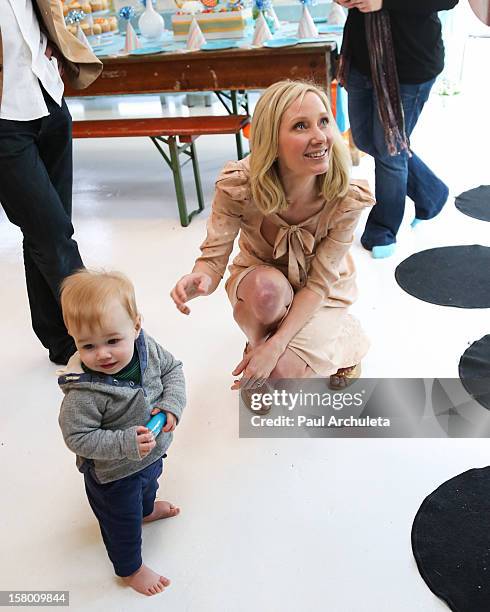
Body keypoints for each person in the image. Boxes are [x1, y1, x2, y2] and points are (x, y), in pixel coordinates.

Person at [171, 80, 374, 397]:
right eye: (300, 126)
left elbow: (319, 283)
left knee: (275, 383)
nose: (320, 136)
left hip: (320, 290)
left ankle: (347, 340)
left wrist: (275, 347)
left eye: (323, 121)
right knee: (266, 294)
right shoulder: (240, 184)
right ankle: (263, 343)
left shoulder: (344, 195)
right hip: (261, 281)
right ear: (272, 140)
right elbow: (214, 257)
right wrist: (201, 278)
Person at [58, 270, 186, 596]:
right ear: (73, 338)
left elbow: (173, 370)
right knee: (121, 523)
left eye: (113, 340)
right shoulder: (84, 392)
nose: (102, 353)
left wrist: (171, 406)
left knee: (149, 485)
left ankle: (146, 509)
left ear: (136, 326)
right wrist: (125, 443)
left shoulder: (147, 349)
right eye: (88, 345)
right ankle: (130, 568)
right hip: (114, 475)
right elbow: (78, 437)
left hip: (152, 453)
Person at [0, 0, 102, 363]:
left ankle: (61, 341)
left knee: (45, 233)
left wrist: (51, 44)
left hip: (48, 98)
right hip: (5, 120)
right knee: (53, 232)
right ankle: (101, 336)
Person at [336, 0, 458, 258]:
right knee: (366, 140)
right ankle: (431, 192)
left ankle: (383, 228)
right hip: (361, 58)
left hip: (409, 65)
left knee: (389, 152)